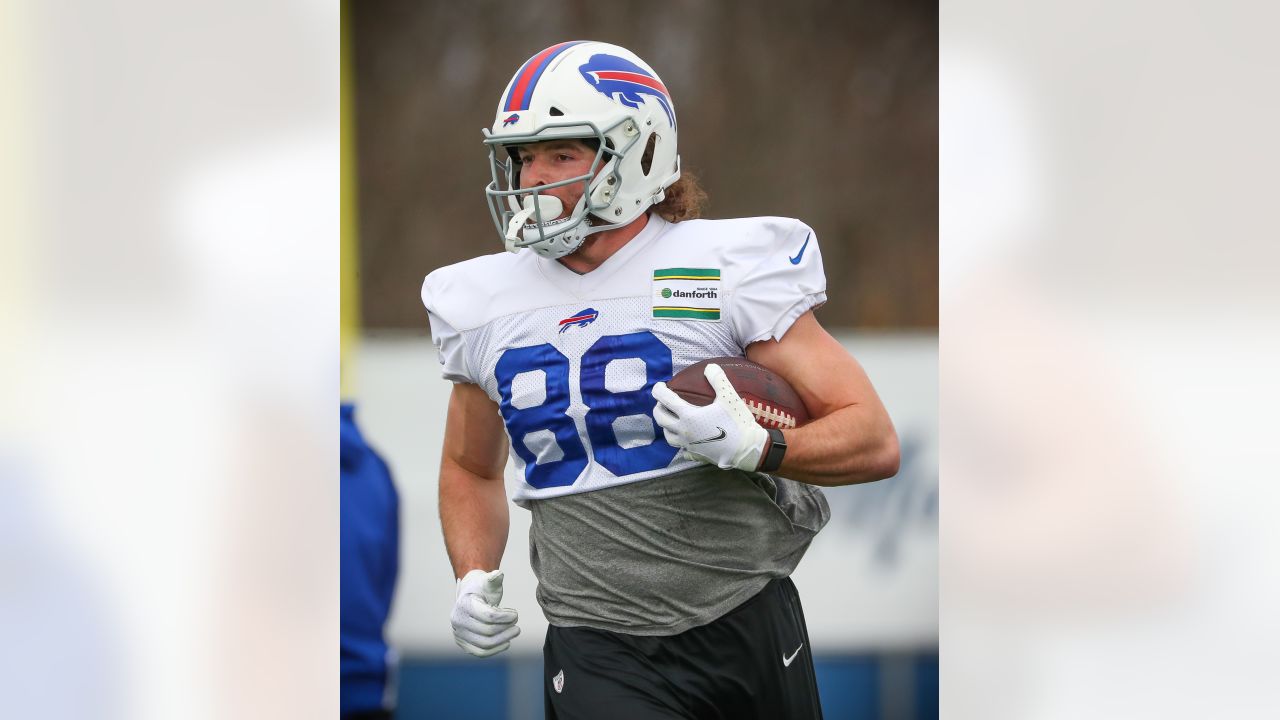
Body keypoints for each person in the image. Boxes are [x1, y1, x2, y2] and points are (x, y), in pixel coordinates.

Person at [421, 40, 899, 719]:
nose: (530, 178)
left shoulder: (723, 267)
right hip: (598, 647)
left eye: (560, 153)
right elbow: (469, 466)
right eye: (523, 156)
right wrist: (471, 573)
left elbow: (874, 437)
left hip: (744, 619)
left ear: (638, 152)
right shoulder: (485, 301)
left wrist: (759, 447)